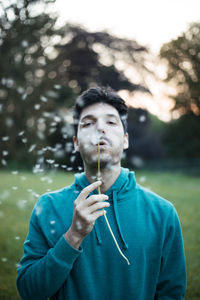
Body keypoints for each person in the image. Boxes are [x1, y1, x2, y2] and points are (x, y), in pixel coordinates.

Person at [17, 86, 186, 300]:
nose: (99, 129)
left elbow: (171, 294)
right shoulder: (47, 207)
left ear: (125, 140)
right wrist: (73, 236)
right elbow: (29, 291)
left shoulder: (163, 213)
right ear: (76, 143)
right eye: (88, 123)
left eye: (110, 122)